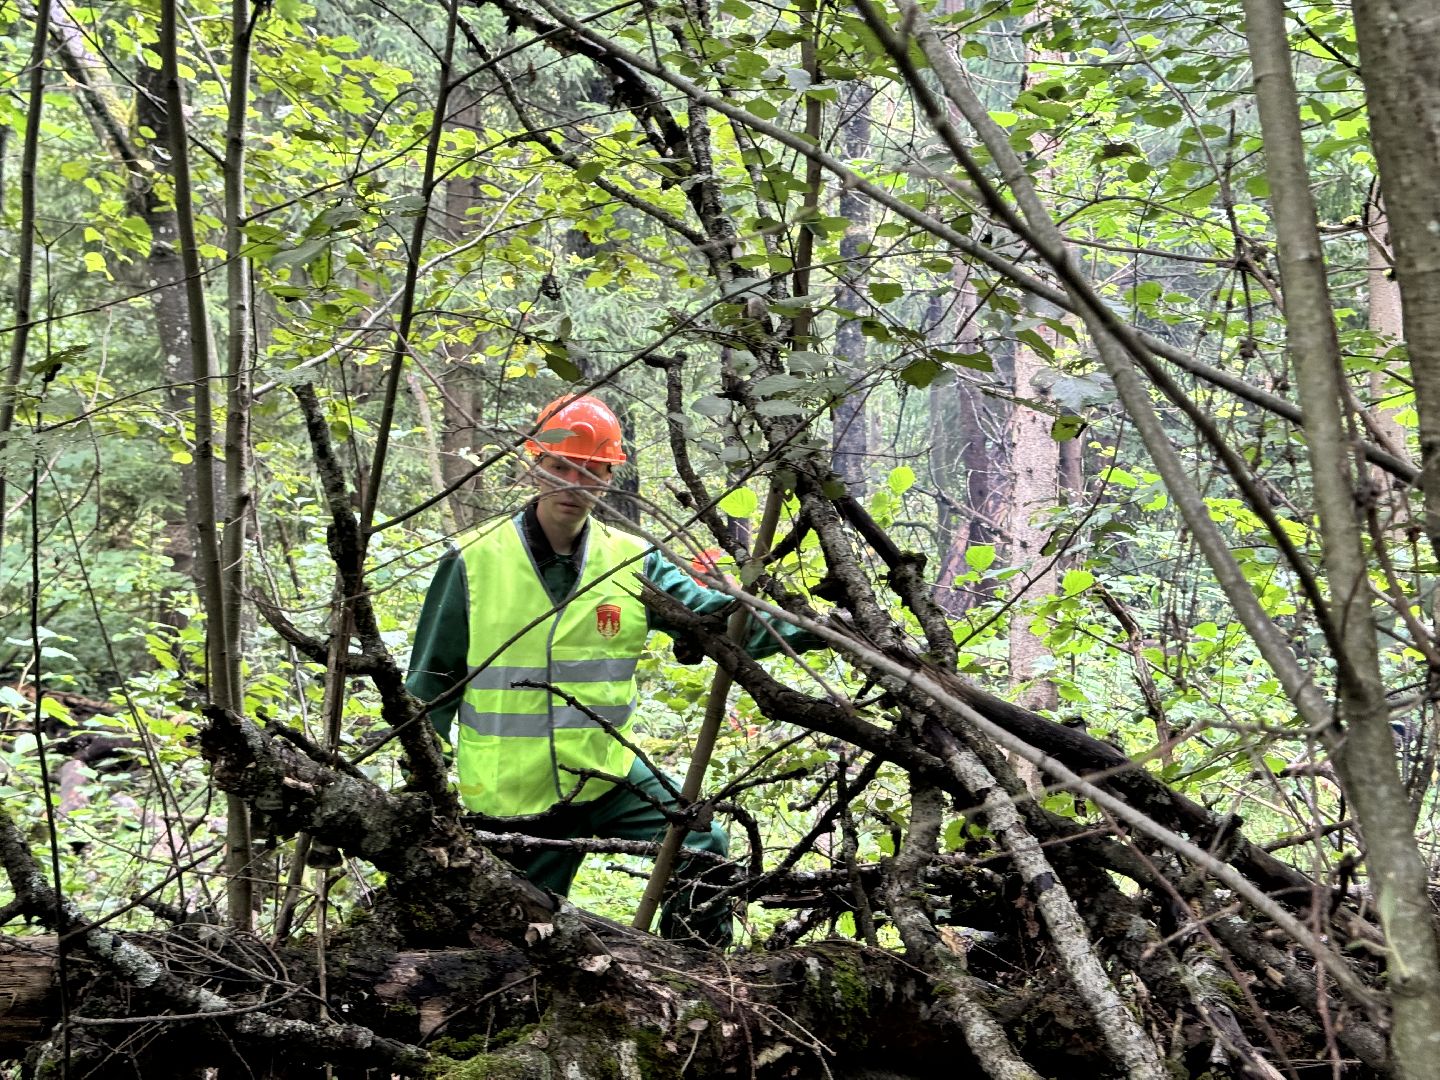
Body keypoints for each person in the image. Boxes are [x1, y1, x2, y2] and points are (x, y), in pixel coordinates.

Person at [406, 393, 817, 946]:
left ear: (608, 479)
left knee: (702, 846)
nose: (575, 485)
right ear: (534, 464)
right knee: (513, 935)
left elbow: (717, 623)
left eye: (594, 473)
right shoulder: (472, 560)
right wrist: (420, 793)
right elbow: (429, 683)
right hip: (508, 800)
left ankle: (697, 972)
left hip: (605, 774)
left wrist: (815, 629)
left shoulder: (630, 558)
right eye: (561, 467)